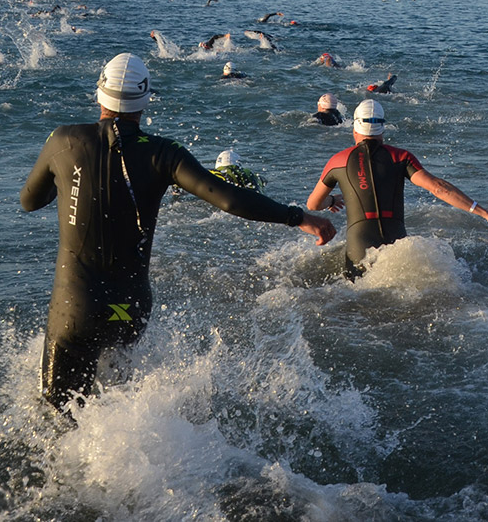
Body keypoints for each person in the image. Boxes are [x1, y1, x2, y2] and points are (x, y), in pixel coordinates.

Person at [20, 53, 335, 411]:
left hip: (75, 308)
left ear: (99, 93)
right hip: (128, 310)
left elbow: (30, 200)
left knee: (56, 418)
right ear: (146, 99)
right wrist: (298, 218)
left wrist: (68, 180)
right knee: (119, 411)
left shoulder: (63, 140)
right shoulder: (164, 153)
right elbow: (229, 200)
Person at [307, 99, 488, 278]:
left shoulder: (338, 161)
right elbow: (439, 188)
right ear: (382, 129)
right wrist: (485, 213)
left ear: (355, 129)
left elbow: (313, 204)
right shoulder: (401, 157)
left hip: (358, 247)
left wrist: (332, 201)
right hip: (397, 248)